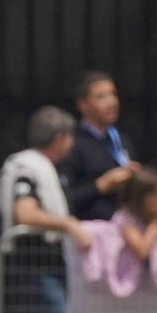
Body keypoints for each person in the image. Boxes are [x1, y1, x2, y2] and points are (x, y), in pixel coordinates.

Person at [0, 105, 91, 313]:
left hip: (47, 262)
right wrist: (67, 224)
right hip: (32, 262)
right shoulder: (27, 167)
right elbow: (24, 213)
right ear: (60, 139)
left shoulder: (48, 167)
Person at [79, 167, 157, 297]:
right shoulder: (126, 219)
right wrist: (154, 228)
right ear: (141, 197)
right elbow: (141, 250)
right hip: (121, 294)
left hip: (150, 296)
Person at [59, 70, 139, 221]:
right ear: (83, 104)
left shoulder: (121, 140)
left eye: (113, 94)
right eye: (101, 97)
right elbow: (66, 198)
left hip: (125, 226)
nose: (112, 102)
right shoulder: (72, 144)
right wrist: (101, 185)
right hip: (91, 229)